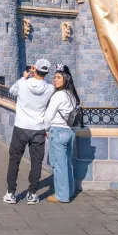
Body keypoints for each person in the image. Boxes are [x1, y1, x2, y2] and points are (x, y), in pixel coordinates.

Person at [4, 58, 55, 205]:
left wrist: (24, 77)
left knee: (15, 160)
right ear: (46, 72)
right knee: (36, 162)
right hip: (38, 129)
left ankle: (11, 193)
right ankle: (32, 194)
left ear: (34, 69)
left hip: (21, 127)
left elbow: (11, 91)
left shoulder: (23, 84)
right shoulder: (50, 89)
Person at [44, 64, 81, 203]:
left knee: (59, 165)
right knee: (67, 164)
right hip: (70, 132)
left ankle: (61, 195)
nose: (55, 80)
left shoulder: (58, 95)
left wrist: (46, 129)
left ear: (66, 78)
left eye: (58, 77)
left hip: (58, 132)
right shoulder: (71, 95)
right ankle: (69, 192)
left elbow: (48, 115)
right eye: (54, 77)